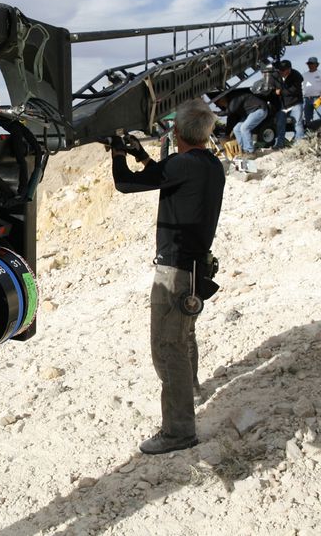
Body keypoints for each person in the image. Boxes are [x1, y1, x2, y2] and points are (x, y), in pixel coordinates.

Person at [110, 100, 225, 455]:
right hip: (195, 268)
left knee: (167, 347)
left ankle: (178, 432)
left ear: (176, 132)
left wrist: (117, 154)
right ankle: (190, 391)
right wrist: (141, 156)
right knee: (183, 335)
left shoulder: (182, 164)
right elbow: (164, 176)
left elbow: (125, 184)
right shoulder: (210, 164)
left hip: (175, 270)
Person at [210, 88, 270, 158]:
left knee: (244, 128)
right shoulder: (231, 102)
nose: (221, 106)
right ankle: (243, 150)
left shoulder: (234, 99)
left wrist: (216, 113)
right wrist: (227, 133)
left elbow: (229, 111)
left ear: (222, 100)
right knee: (236, 129)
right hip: (250, 113)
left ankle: (251, 151)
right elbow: (230, 118)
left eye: (219, 104)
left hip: (259, 109)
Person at [272, 59, 304, 148]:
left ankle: (300, 145)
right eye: (280, 69)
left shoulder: (297, 76)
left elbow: (293, 91)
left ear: (289, 69)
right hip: (283, 106)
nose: (281, 71)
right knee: (280, 124)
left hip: (295, 103)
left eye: (283, 70)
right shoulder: (276, 75)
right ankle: (279, 144)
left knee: (297, 124)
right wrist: (275, 92)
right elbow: (272, 89)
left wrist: (280, 91)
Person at [302, 56, 321, 123]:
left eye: (312, 63)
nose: (310, 65)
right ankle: (309, 129)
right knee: (307, 119)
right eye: (309, 63)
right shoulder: (303, 75)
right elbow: (301, 87)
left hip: (318, 98)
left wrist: (320, 98)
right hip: (306, 99)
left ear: (316, 64)